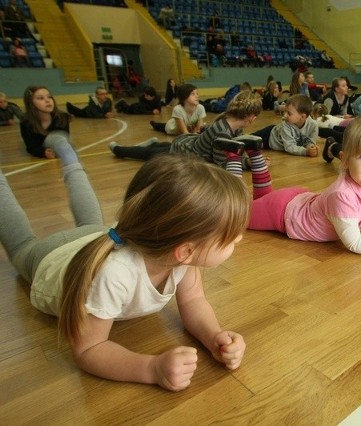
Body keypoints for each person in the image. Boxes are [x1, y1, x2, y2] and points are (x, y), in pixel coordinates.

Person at [0, 154, 249, 391]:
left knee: (90, 223)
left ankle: (71, 160)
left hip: (96, 236)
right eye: (230, 237)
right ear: (185, 251)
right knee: (21, 243)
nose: (238, 238)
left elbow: (194, 301)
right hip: (49, 258)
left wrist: (214, 336)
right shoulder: (114, 275)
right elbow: (89, 349)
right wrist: (151, 368)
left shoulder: (179, 256)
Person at [248, 115, 361, 258]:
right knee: (232, 214)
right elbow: (354, 242)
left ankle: (255, 158)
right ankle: (248, 153)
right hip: (282, 213)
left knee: (259, 201)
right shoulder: (343, 195)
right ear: (345, 159)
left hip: (301, 200)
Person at [110, 90, 261, 166]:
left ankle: (152, 143)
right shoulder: (223, 132)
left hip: (186, 144)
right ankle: (119, 149)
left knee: (159, 147)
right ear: (251, 117)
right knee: (150, 154)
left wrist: (247, 160)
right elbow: (222, 165)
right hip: (182, 152)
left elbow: (232, 153)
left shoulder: (233, 125)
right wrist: (248, 163)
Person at [20, 85, 76, 159]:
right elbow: (31, 147)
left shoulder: (62, 118)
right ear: (31, 103)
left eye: (49, 97)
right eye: (41, 98)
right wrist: (43, 152)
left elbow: (64, 141)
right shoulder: (26, 123)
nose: (47, 100)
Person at [252, 94, 318, 157]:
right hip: (269, 136)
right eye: (285, 111)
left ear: (302, 117)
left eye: (289, 113)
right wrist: (305, 151)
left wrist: (311, 148)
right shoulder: (286, 124)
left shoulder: (313, 126)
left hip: (273, 142)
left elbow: (310, 142)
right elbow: (289, 147)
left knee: (253, 145)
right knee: (248, 140)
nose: (284, 115)